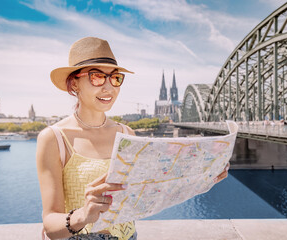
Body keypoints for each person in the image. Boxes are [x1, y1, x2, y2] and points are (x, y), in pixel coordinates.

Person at [36, 37, 230, 240]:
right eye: (97, 77)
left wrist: (203, 175)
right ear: (74, 83)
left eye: (116, 77)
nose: (109, 87)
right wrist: (83, 215)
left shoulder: (127, 134)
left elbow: (152, 190)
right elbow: (50, 224)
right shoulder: (53, 138)